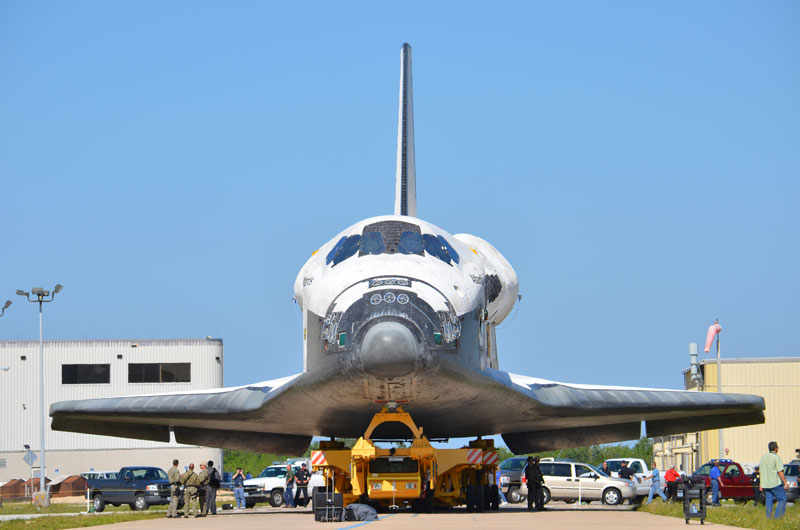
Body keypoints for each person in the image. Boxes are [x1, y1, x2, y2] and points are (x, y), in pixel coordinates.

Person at [759, 441, 789, 519]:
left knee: (769, 501)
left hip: (766, 484)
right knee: (782, 499)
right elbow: (780, 472)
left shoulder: (763, 457)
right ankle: (778, 518)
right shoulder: (776, 457)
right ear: (775, 448)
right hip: (775, 483)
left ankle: (768, 518)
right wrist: (785, 482)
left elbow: (761, 472)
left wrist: (760, 484)